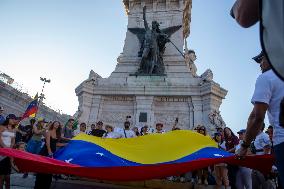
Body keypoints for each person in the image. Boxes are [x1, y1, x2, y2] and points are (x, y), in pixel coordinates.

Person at [238, 52, 284, 188]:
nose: (260, 64)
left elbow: (257, 117)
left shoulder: (266, 78)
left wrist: (244, 146)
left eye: (262, 59)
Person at [34, 121, 65, 189]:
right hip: (45, 152)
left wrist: (65, 144)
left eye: (58, 124)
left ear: (59, 126)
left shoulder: (57, 134)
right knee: (42, 170)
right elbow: (47, 143)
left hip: (52, 153)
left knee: (49, 171)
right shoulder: (49, 131)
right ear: (53, 124)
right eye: (55, 123)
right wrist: (49, 152)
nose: (56, 125)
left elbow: (55, 144)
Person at [251, 124, 273, 189]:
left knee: (265, 184)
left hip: (262, 162)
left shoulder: (264, 135)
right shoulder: (256, 137)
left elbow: (268, 148)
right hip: (256, 162)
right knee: (255, 183)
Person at [0, 114, 17, 189]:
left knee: (7, 177)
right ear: (8, 119)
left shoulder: (13, 129)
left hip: (8, 152)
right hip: (1, 151)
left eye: (14, 119)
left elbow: (13, 140)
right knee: (1, 177)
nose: (14, 120)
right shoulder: (1, 127)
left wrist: (10, 148)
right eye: (12, 119)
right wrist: (4, 147)